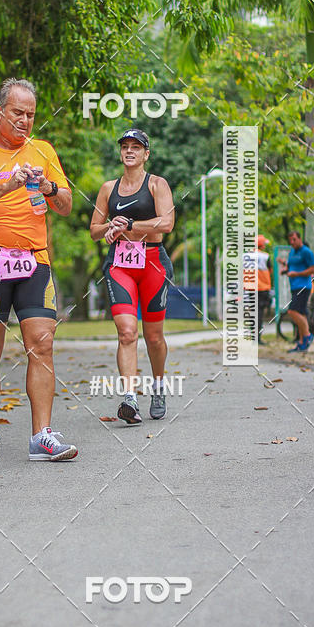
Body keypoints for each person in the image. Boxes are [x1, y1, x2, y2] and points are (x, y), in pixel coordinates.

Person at [0, 77, 78, 462]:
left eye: (30, 115)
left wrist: (50, 189)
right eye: (17, 113)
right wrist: (7, 185)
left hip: (35, 262)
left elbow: (68, 204)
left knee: (42, 344)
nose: (24, 121)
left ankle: (42, 435)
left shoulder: (43, 151)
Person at [90, 129, 175, 425]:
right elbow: (94, 230)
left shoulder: (157, 184)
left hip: (152, 263)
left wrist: (131, 224)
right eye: (125, 146)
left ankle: (159, 386)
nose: (129, 151)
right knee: (127, 331)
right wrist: (110, 226)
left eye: (136, 147)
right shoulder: (107, 188)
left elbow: (167, 223)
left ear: (146, 154)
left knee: (153, 337)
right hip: (120, 264)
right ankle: (130, 398)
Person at [277, 230, 314, 352]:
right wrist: (285, 270)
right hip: (294, 287)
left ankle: (308, 336)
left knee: (292, 311)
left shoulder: (306, 252)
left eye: (294, 239)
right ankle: (301, 344)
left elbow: (313, 269)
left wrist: (297, 274)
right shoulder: (292, 252)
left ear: (300, 239)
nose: (292, 242)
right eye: (290, 240)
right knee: (302, 314)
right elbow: (291, 266)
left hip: (303, 286)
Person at [244, 234, 272, 344]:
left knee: (253, 311)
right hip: (262, 287)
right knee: (259, 312)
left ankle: (253, 336)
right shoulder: (265, 256)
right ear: (262, 245)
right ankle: (257, 338)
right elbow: (270, 270)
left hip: (251, 287)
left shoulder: (246, 256)